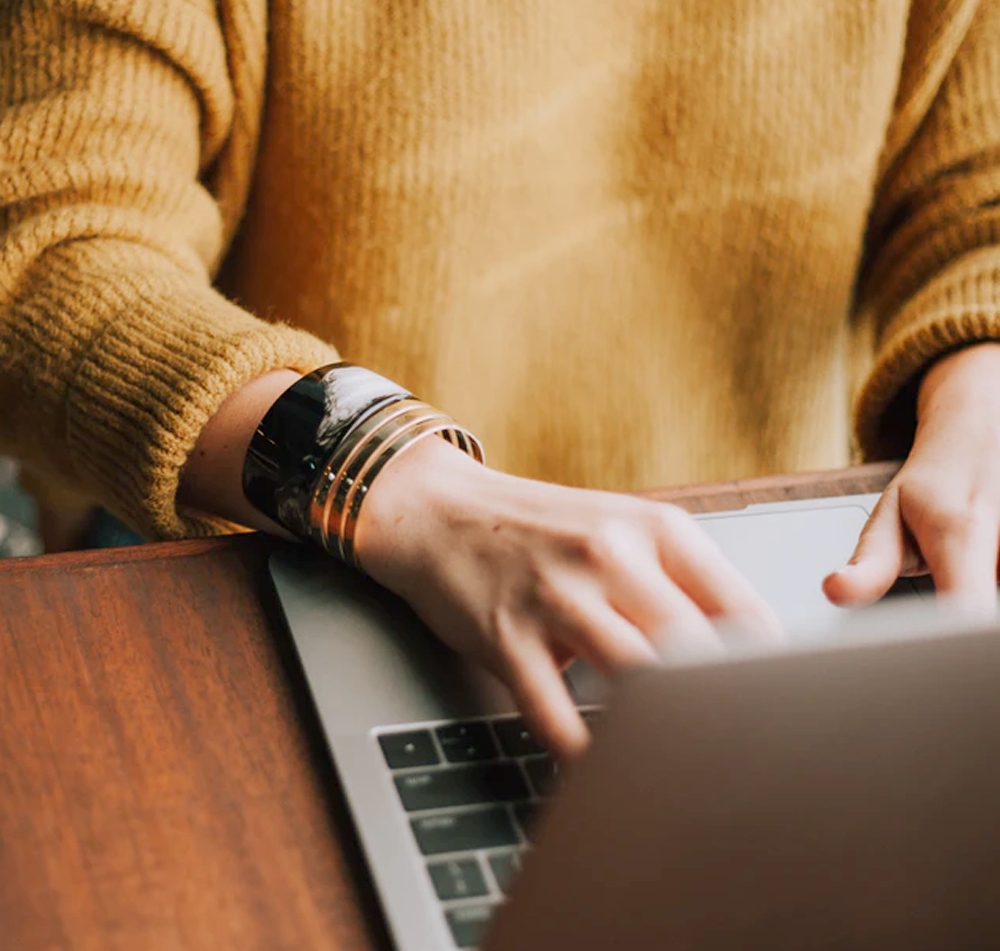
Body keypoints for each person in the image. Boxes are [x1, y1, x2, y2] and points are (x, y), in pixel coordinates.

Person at [2, 0, 999, 758]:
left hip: (776, 583)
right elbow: (46, 246)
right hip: (291, 562)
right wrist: (399, 483)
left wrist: (981, 387)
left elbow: (979, 189)